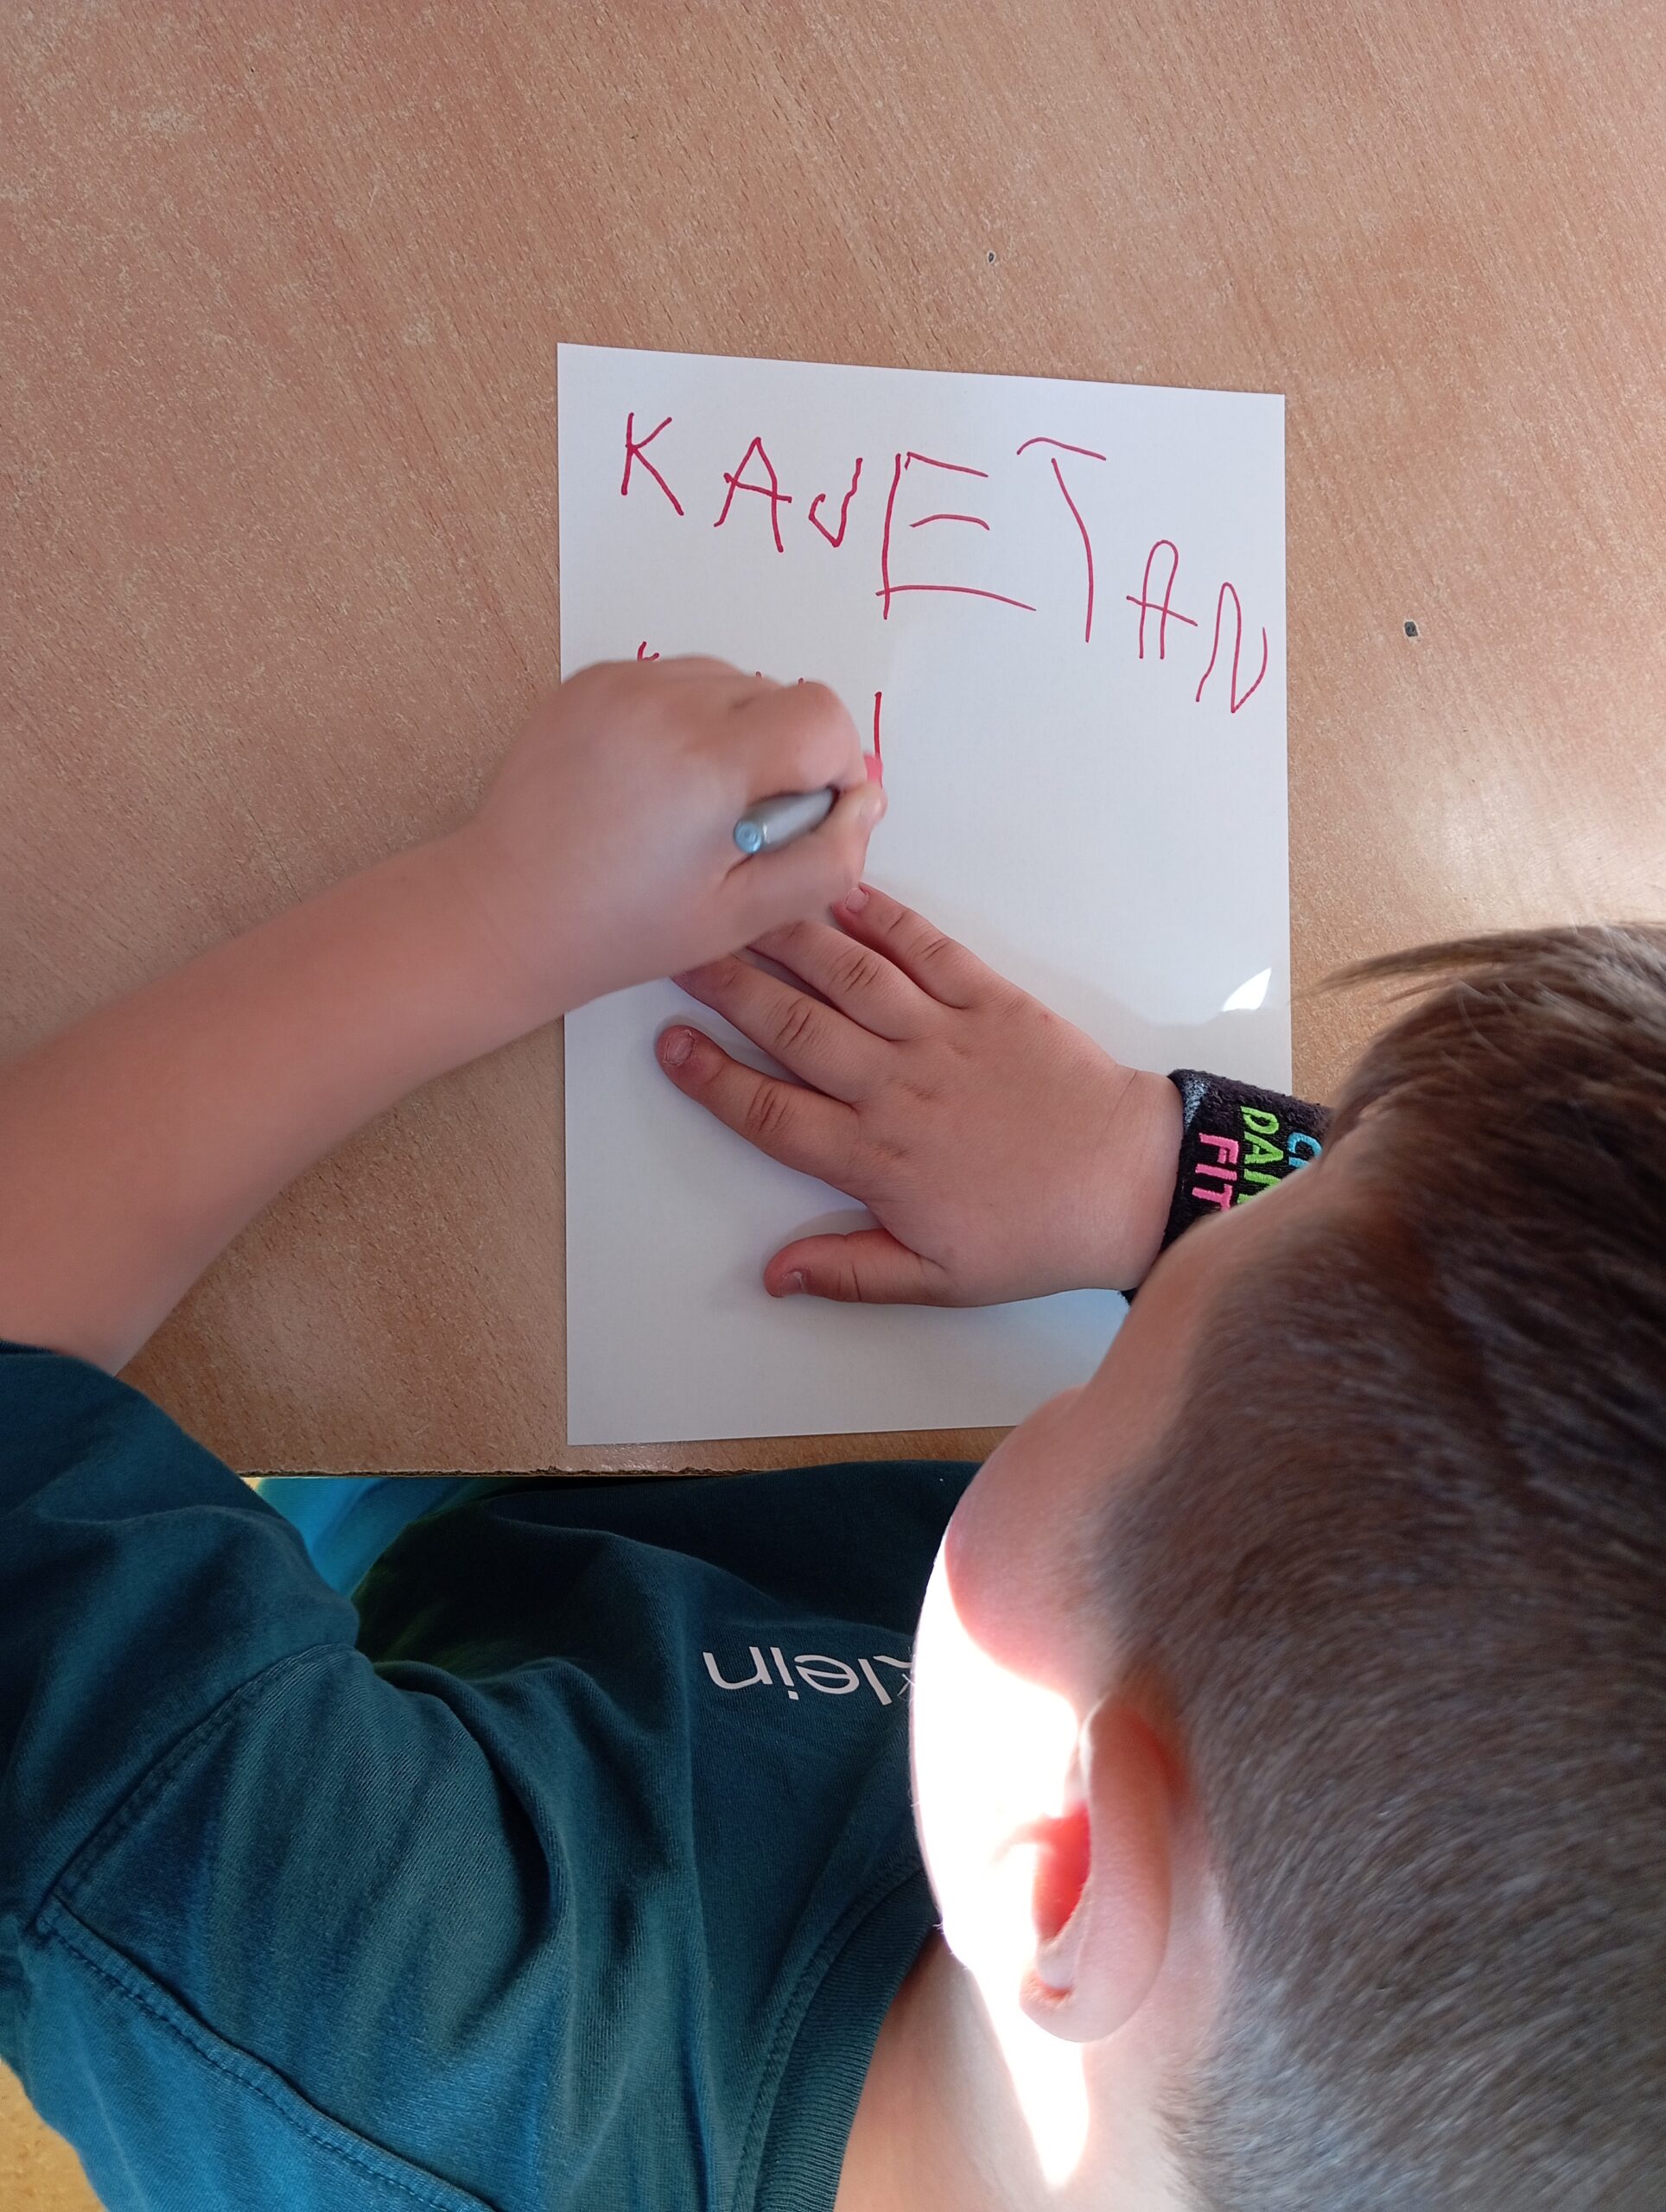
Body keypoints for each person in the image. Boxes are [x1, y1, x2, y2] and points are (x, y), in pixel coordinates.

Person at [0, 659, 1659, 2210]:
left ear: (1059, 1862)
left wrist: (497, 911)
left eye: (1120, 1364)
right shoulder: (1252, 1915)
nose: (1176, 1268)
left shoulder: (369, 2021)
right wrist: (1156, 1169)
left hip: (379, 1579)